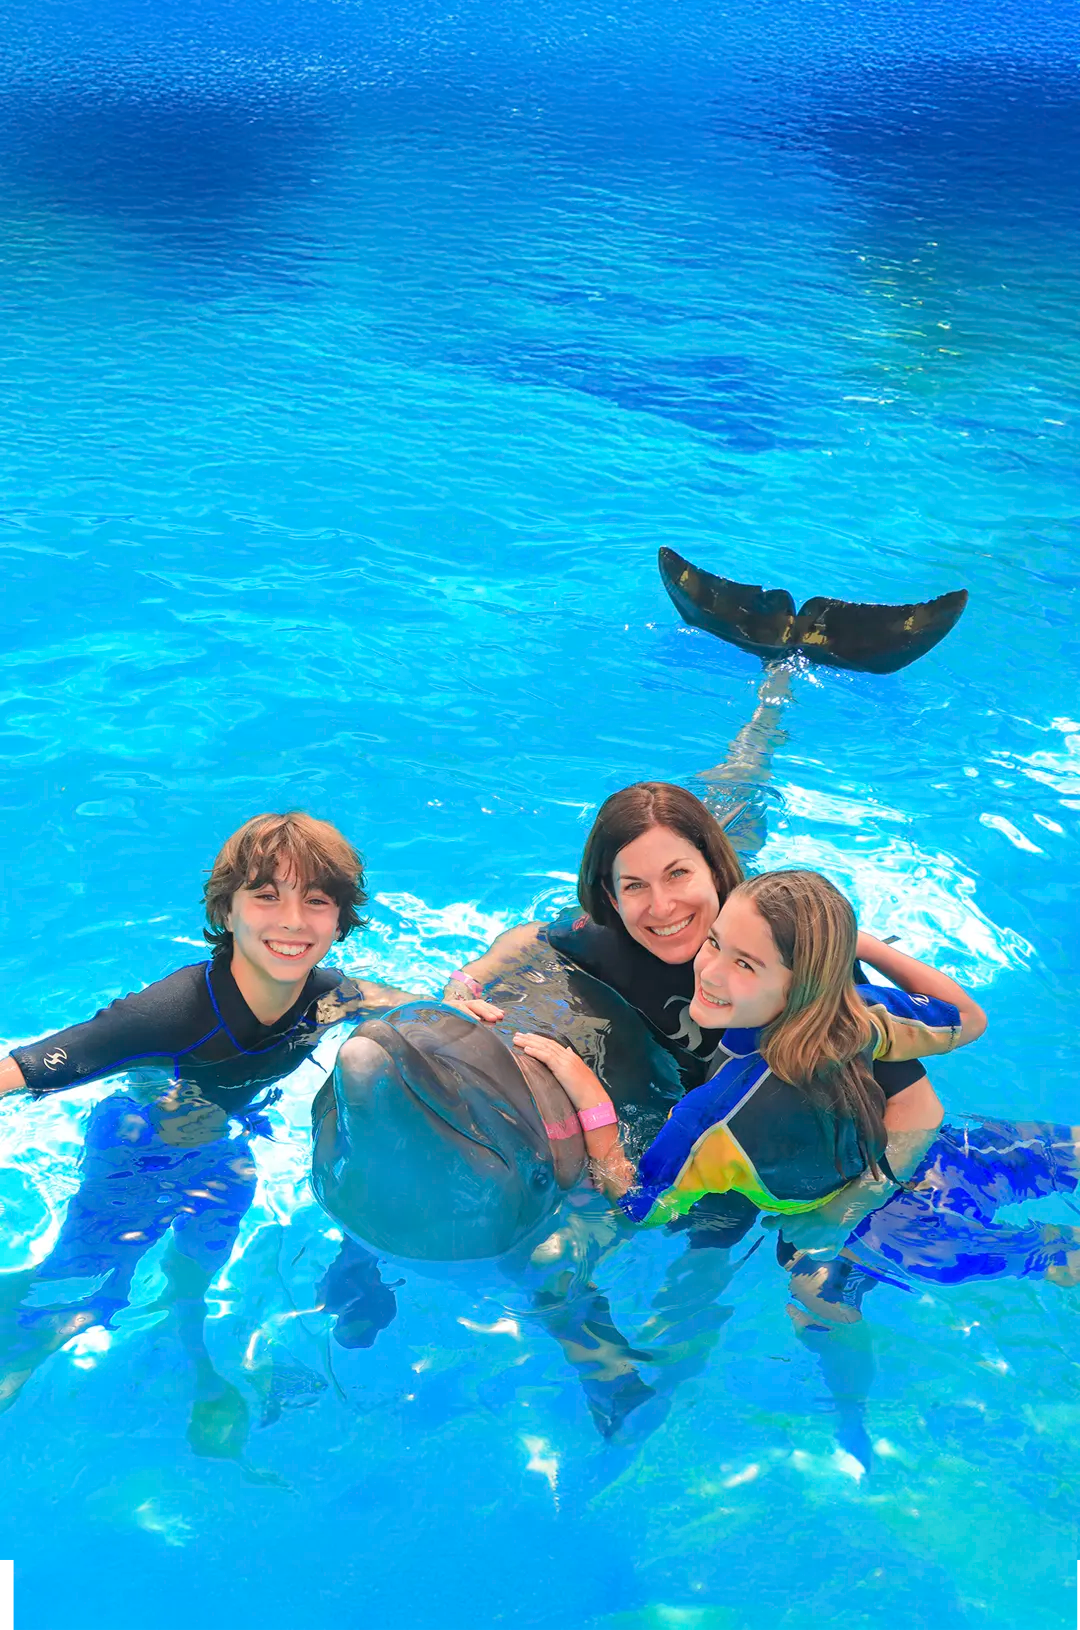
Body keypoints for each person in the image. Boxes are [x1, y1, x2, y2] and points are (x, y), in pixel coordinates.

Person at [512, 870, 1080, 1321]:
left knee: (1053, 1257)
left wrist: (593, 1103)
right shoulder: (859, 1013)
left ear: (801, 983)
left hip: (898, 1238)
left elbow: (642, 1208)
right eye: (715, 943)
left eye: (745, 963)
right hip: (951, 1154)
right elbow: (969, 1019)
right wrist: (863, 948)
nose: (708, 970)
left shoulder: (712, 1117)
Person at [0, 811, 417, 1413]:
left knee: (191, 1279)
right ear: (227, 910)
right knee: (88, 1289)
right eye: (266, 896)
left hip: (224, 1153)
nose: (293, 921)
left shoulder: (328, 996)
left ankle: (187, 1358)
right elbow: (29, 1067)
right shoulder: (170, 1012)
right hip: (138, 1147)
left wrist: (468, 1013)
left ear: (340, 919)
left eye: (317, 900)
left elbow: (402, 1004)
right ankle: (20, 1358)